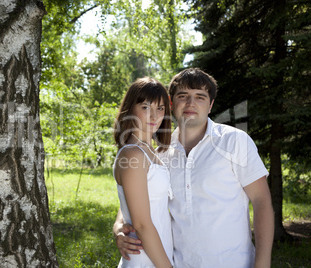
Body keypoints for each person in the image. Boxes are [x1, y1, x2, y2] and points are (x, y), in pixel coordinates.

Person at [113, 68, 275, 268]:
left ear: (211, 105)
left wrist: (263, 262)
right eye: (183, 96)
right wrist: (120, 226)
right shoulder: (160, 153)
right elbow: (138, 197)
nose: (191, 103)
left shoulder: (235, 141)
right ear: (171, 104)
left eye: (200, 97)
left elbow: (262, 201)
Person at [113, 77, 174, 268]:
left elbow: (134, 202)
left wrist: (118, 226)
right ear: (131, 109)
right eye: (146, 107)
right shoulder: (133, 154)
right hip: (145, 260)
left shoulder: (148, 151)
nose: (154, 116)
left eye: (160, 108)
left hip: (157, 256)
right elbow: (141, 225)